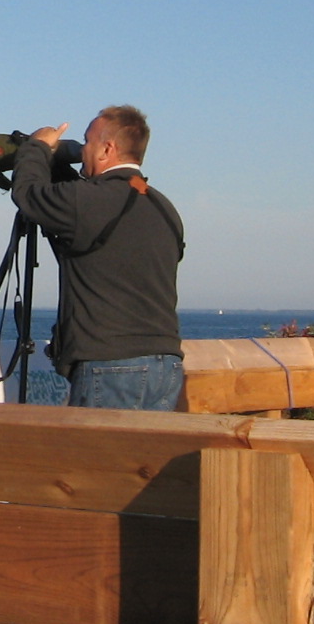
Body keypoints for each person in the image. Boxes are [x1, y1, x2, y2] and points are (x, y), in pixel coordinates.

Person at [11, 106, 187, 411]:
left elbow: (28, 194)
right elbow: (90, 208)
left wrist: (36, 147)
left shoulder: (90, 202)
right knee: (141, 460)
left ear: (107, 149)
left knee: (95, 459)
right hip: (165, 365)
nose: (82, 151)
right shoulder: (162, 206)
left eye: (87, 142)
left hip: (111, 364)